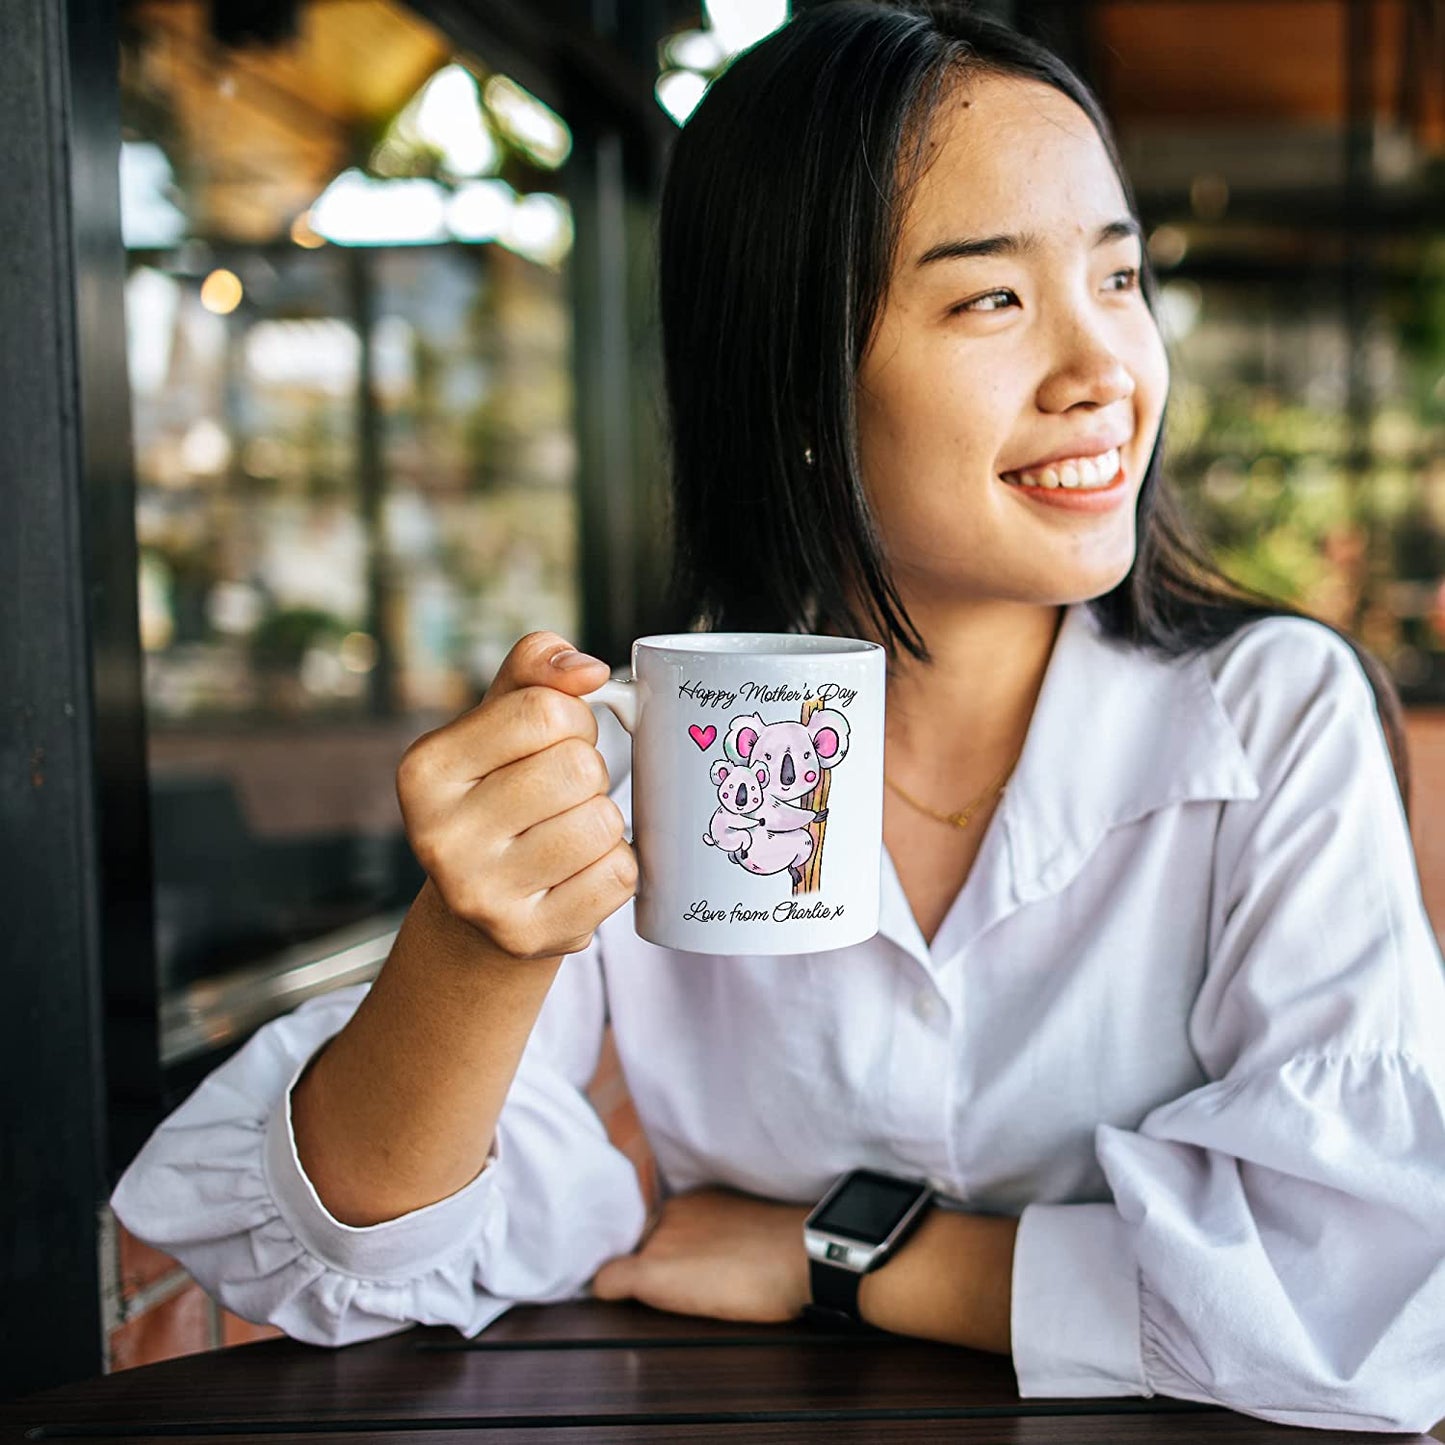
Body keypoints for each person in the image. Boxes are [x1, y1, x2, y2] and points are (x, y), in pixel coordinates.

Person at [111, 1, 1445, 1432]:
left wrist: (854, 1255)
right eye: (990, 297)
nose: (1103, 369)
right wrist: (479, 940)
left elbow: (1370, 1289)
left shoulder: (1263, 716)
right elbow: (337, 1261)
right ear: (797, 378)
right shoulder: (659, 737)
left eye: (1117, 278)